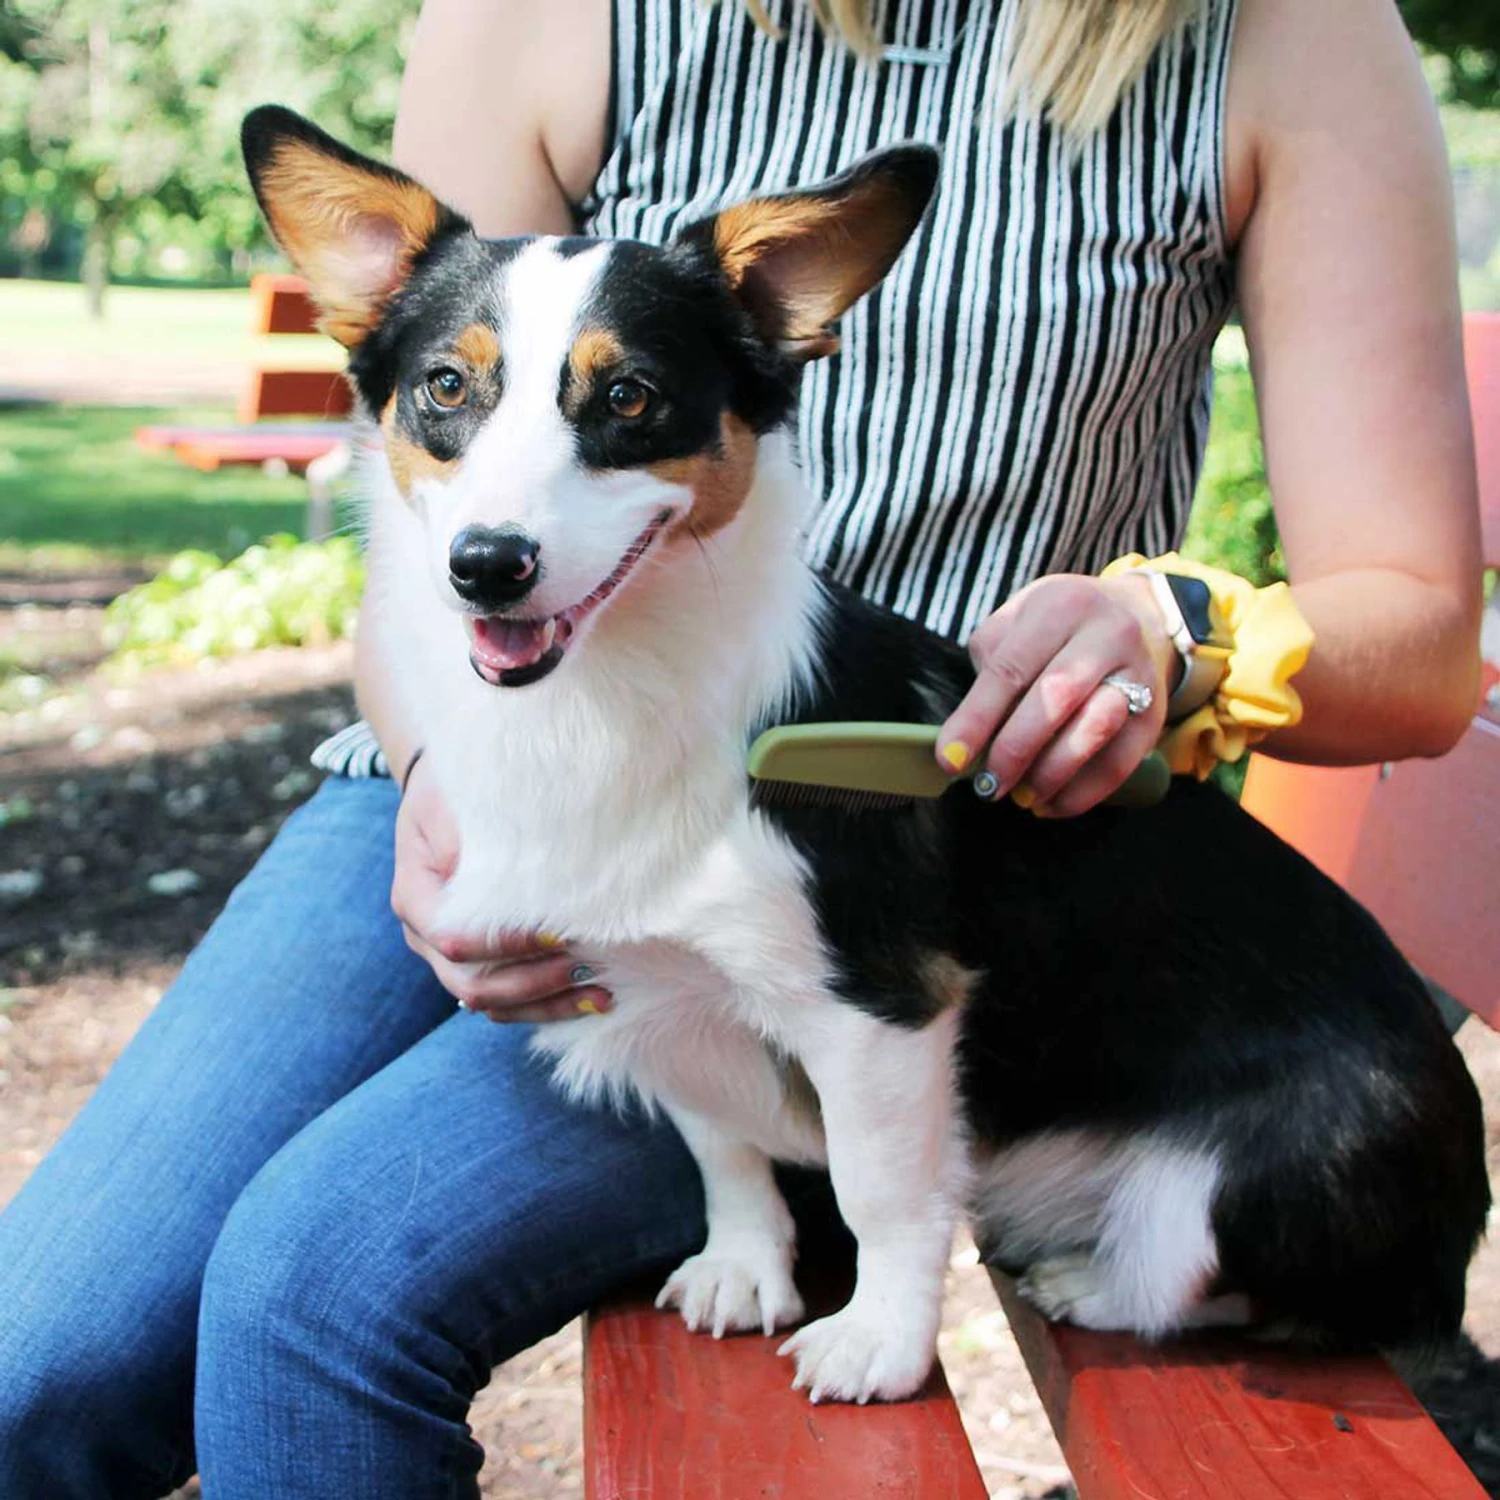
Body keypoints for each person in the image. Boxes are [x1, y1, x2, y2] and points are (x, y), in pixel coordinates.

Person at [0, 0, 1481, 1496]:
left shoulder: (1281, 36)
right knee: (32, 1363)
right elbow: (449, 492)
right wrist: (439, 785)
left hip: (847, 850)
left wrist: (1176, 630)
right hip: (461, 778)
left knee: (311, 1301)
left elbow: (1422, 642)